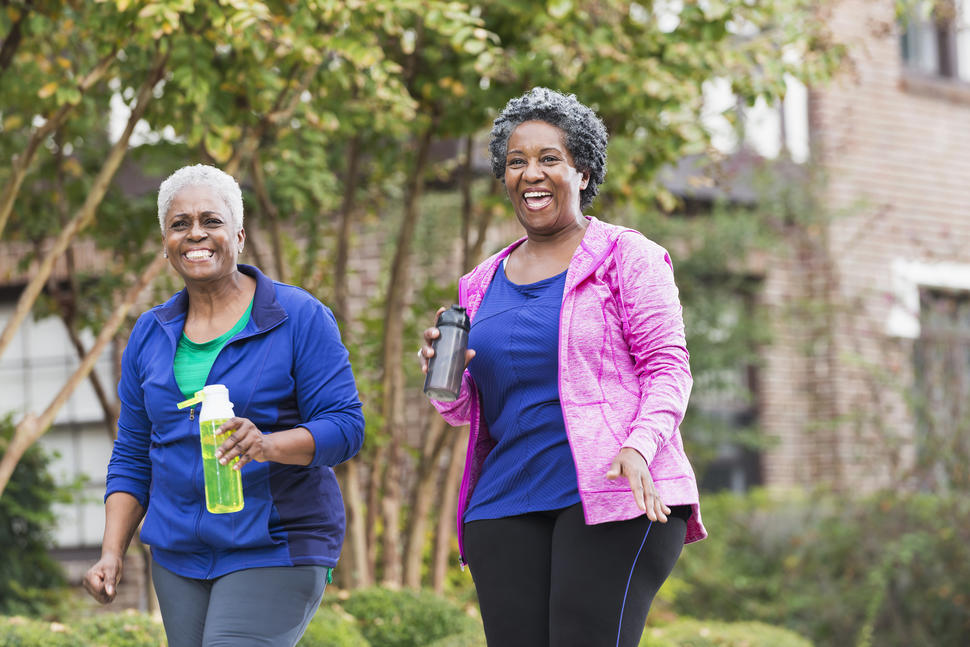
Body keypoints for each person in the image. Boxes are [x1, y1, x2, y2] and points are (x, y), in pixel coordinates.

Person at [419, 88, 707, 647]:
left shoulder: (628, 256)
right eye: (516, 161)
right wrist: (443, 375)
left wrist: (639, 444)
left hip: (616, 491)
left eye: (549, 158)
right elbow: (464, 412)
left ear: (583, 170)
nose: (532, 173)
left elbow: (668, 366)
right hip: (504, 501)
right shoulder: (478, 284)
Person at [83, 164, 365, 647]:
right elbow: (132, 455)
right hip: (178, 556)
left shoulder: (297, 317)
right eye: (180, 224)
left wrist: (268, 444)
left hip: (275, 545)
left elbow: (346, 428)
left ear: (238, 234)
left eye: (211, 221)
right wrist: (112, 552)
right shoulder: (150, 334)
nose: (196, 233)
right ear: (166, 241)